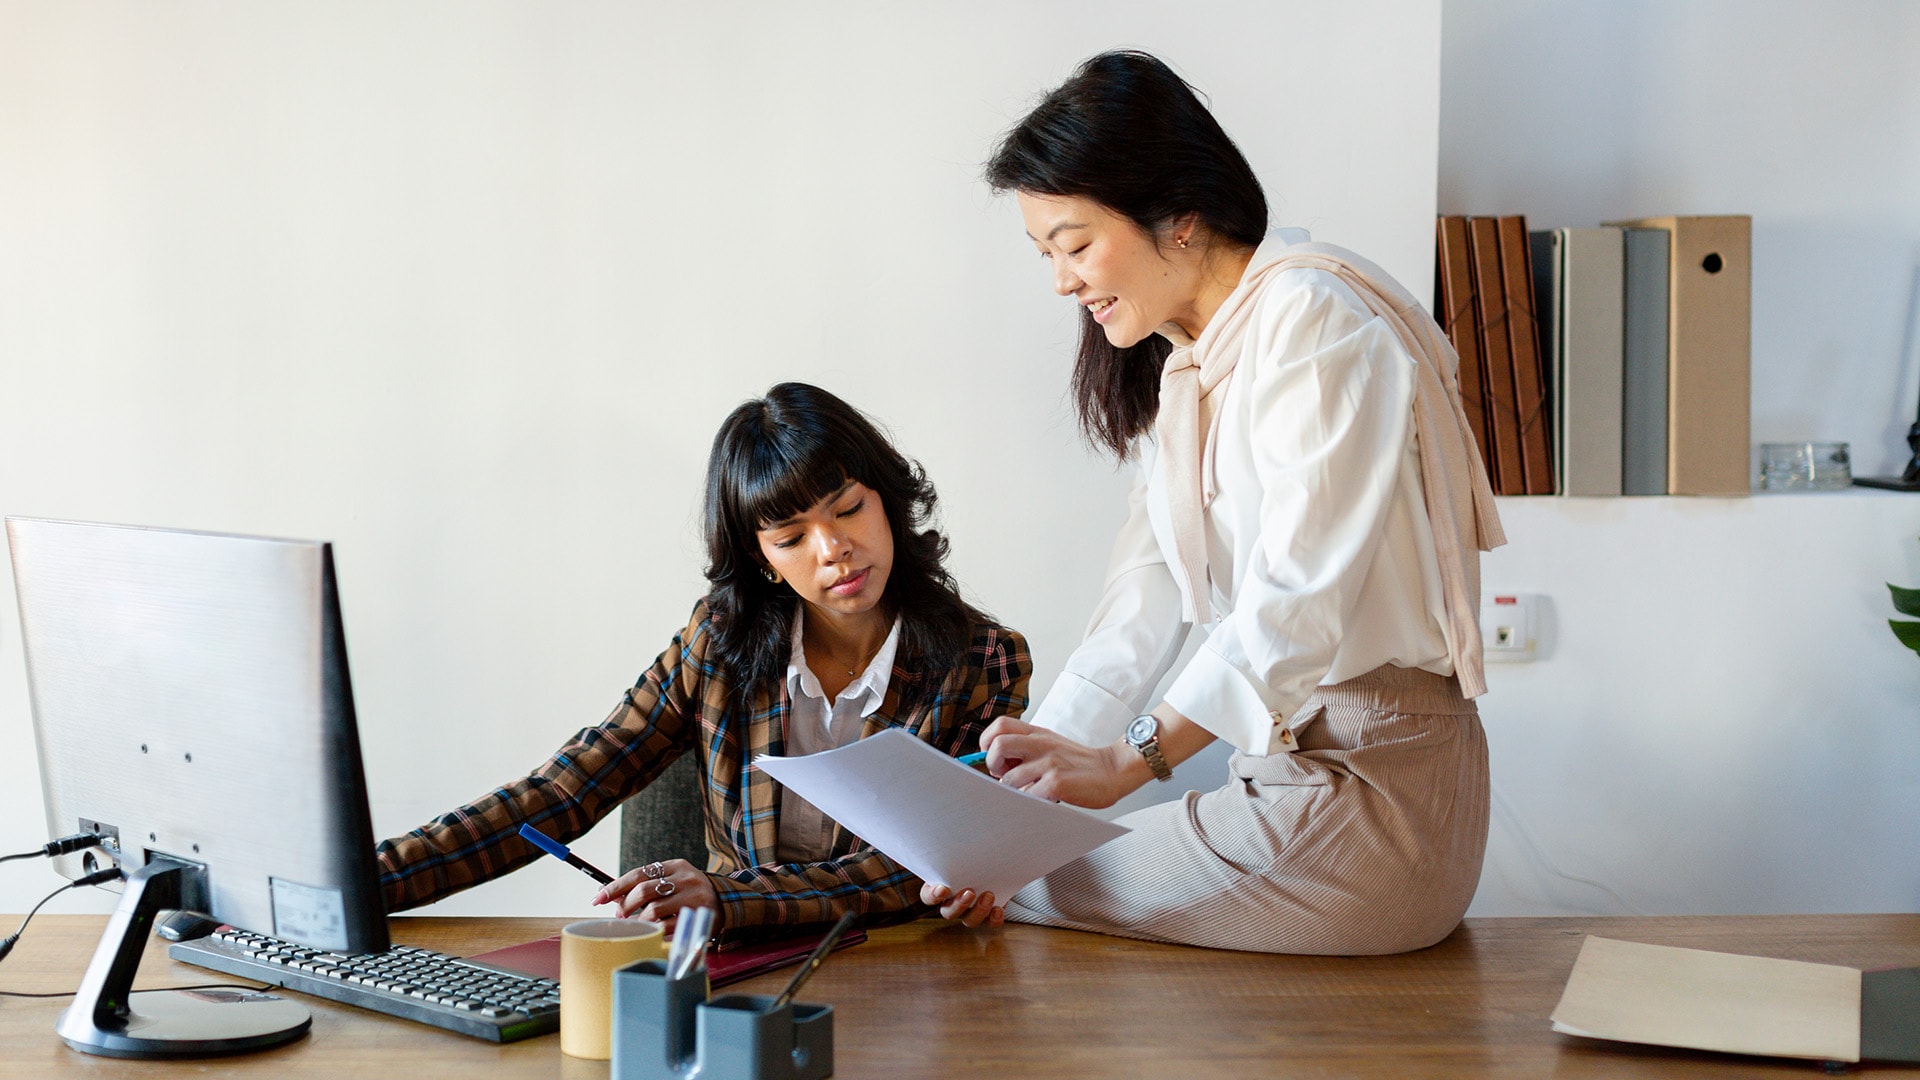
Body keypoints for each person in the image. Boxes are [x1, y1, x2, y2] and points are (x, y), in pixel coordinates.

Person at [923, 51, 1506, 954]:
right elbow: (1143, 596)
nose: (1061, 283)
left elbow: (1292, 601)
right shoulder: (1188, 368)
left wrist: (1124, 765)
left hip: (1376, 794)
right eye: (1047, 255)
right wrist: (1039, 768)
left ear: (1181, 217)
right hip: (1286, 779)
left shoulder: (1315, 321)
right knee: (998, 859)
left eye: (1074, 246)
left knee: (1003, 880)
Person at [378, 382, 1030, 935]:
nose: (833, 548)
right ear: (761, 560)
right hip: (739, 973)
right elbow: (564, 789)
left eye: (849, 508)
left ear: (886, 499)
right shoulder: (719, 642)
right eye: (791, 537)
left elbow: (903, 869)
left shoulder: (984, 663)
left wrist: (726, 899)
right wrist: (373, 879)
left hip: (903, 978)